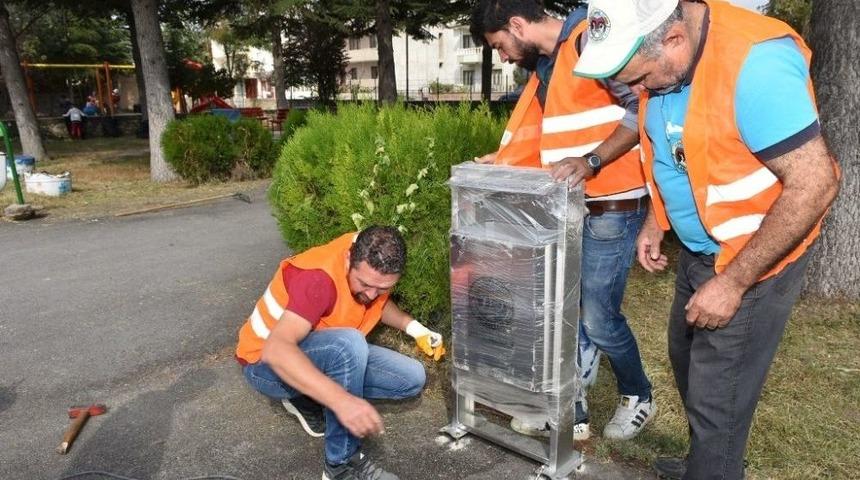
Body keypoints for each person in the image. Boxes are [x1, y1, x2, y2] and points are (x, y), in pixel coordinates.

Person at [573, 0, 840, 478]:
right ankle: (707, 459)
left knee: (720, 394)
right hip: (701, 250)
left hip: (754, 260)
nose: (635, 91)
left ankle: (713, 464)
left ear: (674, 39)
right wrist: (660, 219)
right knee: (687, 357)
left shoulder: (755, 62)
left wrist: (734, 282)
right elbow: (679, 150)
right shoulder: (669, 58)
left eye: (640, 77)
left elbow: (816, 183)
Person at [470, 0, 655, 442]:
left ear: (517, 25)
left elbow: (640, 109)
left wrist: (592, 161)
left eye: (500, 46)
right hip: (570, 204)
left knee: (597, 316)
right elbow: (555, 135)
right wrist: (506, 159)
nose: (503, 56)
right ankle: (572, 401)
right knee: (564, 307)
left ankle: (638, 393)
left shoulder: (593, 38)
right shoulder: (549, 66)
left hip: (613, 202)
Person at [235, 226, 445, 480]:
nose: (370, 294)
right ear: (348, 259)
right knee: (348, 345)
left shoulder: (370, 256)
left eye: (382, 288)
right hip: (264, 365)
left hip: (319, 351)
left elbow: (377, 301)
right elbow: (276, 350)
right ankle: (340, 466)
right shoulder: (318, 279)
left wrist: (416, 329)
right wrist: (341, 401)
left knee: (411, 378)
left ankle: (310, 395)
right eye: (364, 284)